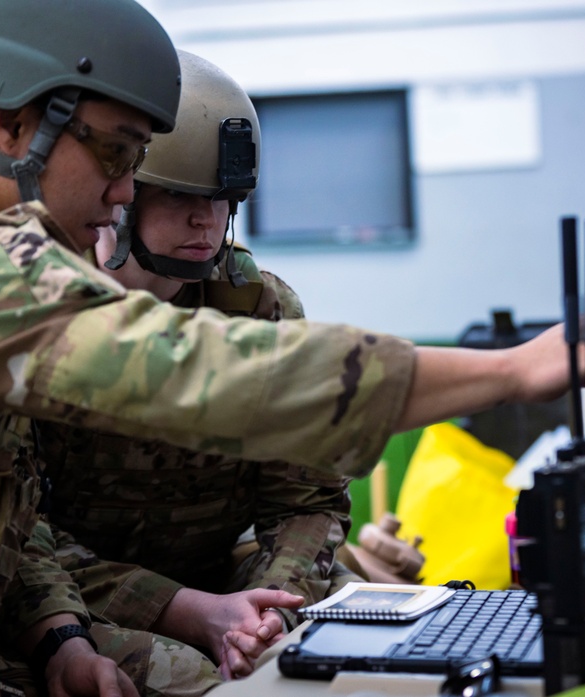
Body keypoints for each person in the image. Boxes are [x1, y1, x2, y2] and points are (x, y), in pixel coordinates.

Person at [0, 0, 585, 696]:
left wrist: (62, 640)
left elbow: (1, 515)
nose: (124, 192)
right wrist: (521, 368)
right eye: (115, 154)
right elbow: (197, 372)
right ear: (11, 123)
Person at [38, 50, 364, 682]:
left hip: (221, 574)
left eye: (224, 200)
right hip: (80, 596)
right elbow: (23, 536)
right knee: (187, 677)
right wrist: (191, 614)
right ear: (124, 194)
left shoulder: (256, 307)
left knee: (349, 626)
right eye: (181, 197)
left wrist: (271, 607)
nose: (206, 222)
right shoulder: (46, 308)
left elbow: (306, 496)